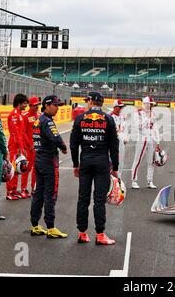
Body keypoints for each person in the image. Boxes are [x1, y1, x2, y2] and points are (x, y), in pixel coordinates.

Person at [70, 92, 120, 245]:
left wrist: (75, 164)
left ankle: (82, 233)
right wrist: (115, 167)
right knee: (99, 200)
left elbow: (73, 144)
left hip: (85, 161)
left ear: (92, 102)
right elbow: (114, 146)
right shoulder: (108, 119)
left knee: (83, 198)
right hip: (102, 163)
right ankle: (100, 234)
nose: (86, 103)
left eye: (87, 101)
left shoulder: (80, 118)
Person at [30, 95, 68, 238]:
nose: (58, 108)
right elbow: (55, 137)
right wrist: (63, 147)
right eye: (55, 105)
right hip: (49, 161)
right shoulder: (47, 121)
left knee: (39, 193)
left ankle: (35, 225)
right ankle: (51, 227)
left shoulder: (38, 120)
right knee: (51, 193)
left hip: (39, 159)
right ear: (47, 105)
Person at [131, 96, 160, 189]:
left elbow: (155, 128)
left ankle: (150, 181)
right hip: (141, 139)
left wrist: (158, 142)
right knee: (137, 160)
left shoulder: (152, 114)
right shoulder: (138, 113)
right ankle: (134, 181)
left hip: (151, 139)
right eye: (150, 104)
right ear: (146, 104)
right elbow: (138, 126)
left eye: (152, 105)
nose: (151, 106)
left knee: (151, 161)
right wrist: (147, 118)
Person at [6, 93, 30, 200]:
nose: (26, 105)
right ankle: (9, 192)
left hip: (19, 145)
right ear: (19, 103)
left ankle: (14, 190)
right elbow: (15, 133)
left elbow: (22, 133)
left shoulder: (20, 114)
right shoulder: (14, 115)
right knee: (13, 169)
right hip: (14, 145)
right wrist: (20, 147)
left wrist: (23, 146)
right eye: (25, 103)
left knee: (18, 169)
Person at [21, 96, 41, 196]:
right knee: (27, 168)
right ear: (30, 105)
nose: (37, 107)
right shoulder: (25, 116)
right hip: (28, 147)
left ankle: (34, 188)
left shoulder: (39, 115)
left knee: (36, 168)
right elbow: (23, 132)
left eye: (38, 105)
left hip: (38, 146)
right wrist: (29, 144)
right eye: (35, 105)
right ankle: (23, 189)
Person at [108, 99, 127, 179]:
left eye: (122, 107)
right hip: (112, 144)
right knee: (111, 162)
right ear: (115, 107)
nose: (121, 108)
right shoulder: (109, 116)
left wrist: (126, 137)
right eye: (120, 107)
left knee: (121, 162)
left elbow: (125, 129)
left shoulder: (123, 117)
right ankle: (110, 182)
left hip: (121, 142)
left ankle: (119, 180)